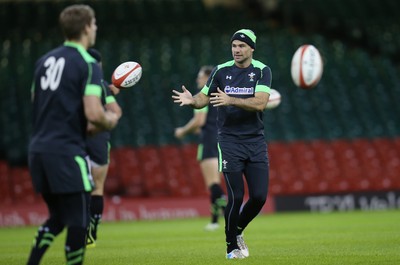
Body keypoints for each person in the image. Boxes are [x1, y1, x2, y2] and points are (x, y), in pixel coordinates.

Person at [27, 4, 120, 265]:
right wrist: (109, 120)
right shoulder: (88, 63)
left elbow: (37, 101)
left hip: (38, 150)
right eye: (95, 25)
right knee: (79, 221)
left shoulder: (43, 61)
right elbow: (93, 113)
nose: (96, 29)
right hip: (67, 151)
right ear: (87, 27)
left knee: (58, 218)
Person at [172, 29, 271, 259]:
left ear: (251, 49)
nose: (237, 50)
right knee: (236, 196)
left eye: (241, 46)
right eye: (234, 45)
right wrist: (191, 100)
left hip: (255, 141)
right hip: (229, 141)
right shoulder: (221, 70)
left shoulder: (262, 71)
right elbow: (202, 98)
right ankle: (230, 247)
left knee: (259, 197)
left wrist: (230, 99)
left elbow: (261, 103)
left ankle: (237, 230)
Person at [174, 65, 227, 232]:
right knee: (216, 183)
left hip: (209, 141)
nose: (197, 79)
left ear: (207, 78)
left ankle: (220, 219)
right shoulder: (220, 96)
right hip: (220, 140)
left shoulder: (204, 96)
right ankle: (220, 219)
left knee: (213, 184)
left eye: (200, 76)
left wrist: (182, 131)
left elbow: (199, 121)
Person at [85, 48, 122, 248]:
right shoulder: (100, 85)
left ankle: (79, 228)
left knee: (81, 188)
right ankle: (93, 230)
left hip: (76, 139)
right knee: (97, 187)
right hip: (99, 139)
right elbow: (115, 111)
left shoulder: (74, 82)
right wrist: (108, 121)